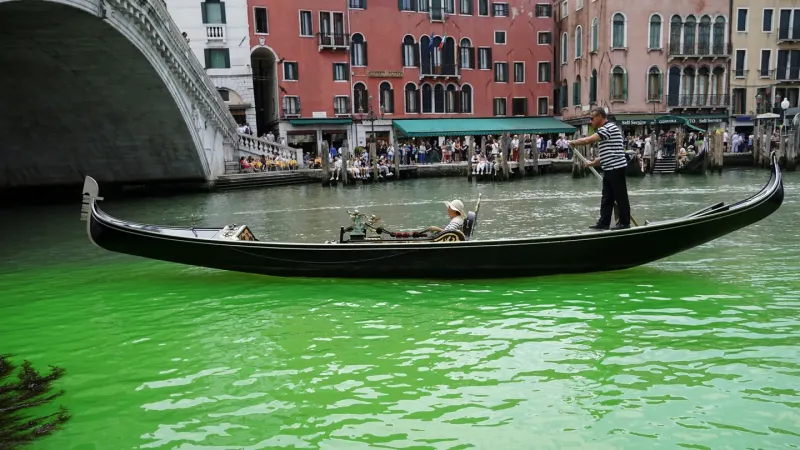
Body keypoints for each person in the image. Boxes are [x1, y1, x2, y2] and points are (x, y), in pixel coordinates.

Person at [568, 107, 631, 230]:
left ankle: (625, 222)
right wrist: (592, 163)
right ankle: (604, 222)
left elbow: (587, 140)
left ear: (599, 117)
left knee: (620, 196)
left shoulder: (608, 128)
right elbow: (607, 154)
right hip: (609, 168)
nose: (590, 121)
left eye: (592, 119)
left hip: (616, 168)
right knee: (607, 197)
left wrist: (573, 142)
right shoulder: (605, 130)